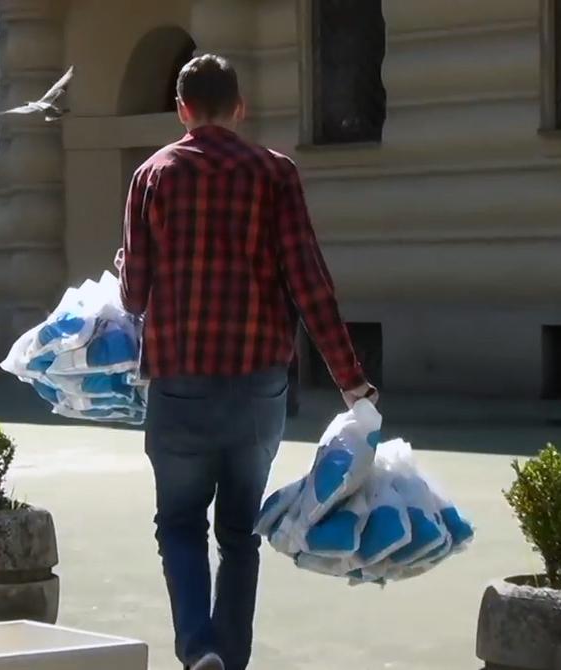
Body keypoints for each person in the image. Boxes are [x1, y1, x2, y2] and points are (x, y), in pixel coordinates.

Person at [117, 54, 377, 670]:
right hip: (258, 389)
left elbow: (133, 297)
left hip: (179, 385)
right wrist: (351, 380)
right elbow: (310, 283)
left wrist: (128, 267)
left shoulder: (152, 176)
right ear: (240, 108)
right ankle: (230, 658)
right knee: (239, 534)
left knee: (179, 524)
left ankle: (197, 649)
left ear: (181, 110)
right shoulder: (275, 174)